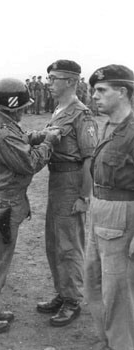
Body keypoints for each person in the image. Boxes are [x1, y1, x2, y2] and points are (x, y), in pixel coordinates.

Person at [0, 77, 61, 334]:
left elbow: (19, 138)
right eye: (22, 107)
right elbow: (29, 163)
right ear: (14, 107)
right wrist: (48, 143)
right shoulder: (3, 131)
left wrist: (38, 135)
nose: (24, 110)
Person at [36, 59, 98, 326]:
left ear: (71, 81)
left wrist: (84, 197)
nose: (50, 83)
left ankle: (73, 299)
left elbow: (89, 159)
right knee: (54, 241)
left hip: (72, 180)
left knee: (69, 244)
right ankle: (63, 292)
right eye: (49, 78)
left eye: (54, 78)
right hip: (57, 179)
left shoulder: (81, 113)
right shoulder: (60, 109)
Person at [84, 64, 134, 350]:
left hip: (123, 214)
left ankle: (123, 345)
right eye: (94, 91)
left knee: (119, 291)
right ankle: (108, 340)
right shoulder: (108, 126)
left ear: (123, 92)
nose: (94, 96)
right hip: (100, 210)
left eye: (102, 90)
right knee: (94, 282)